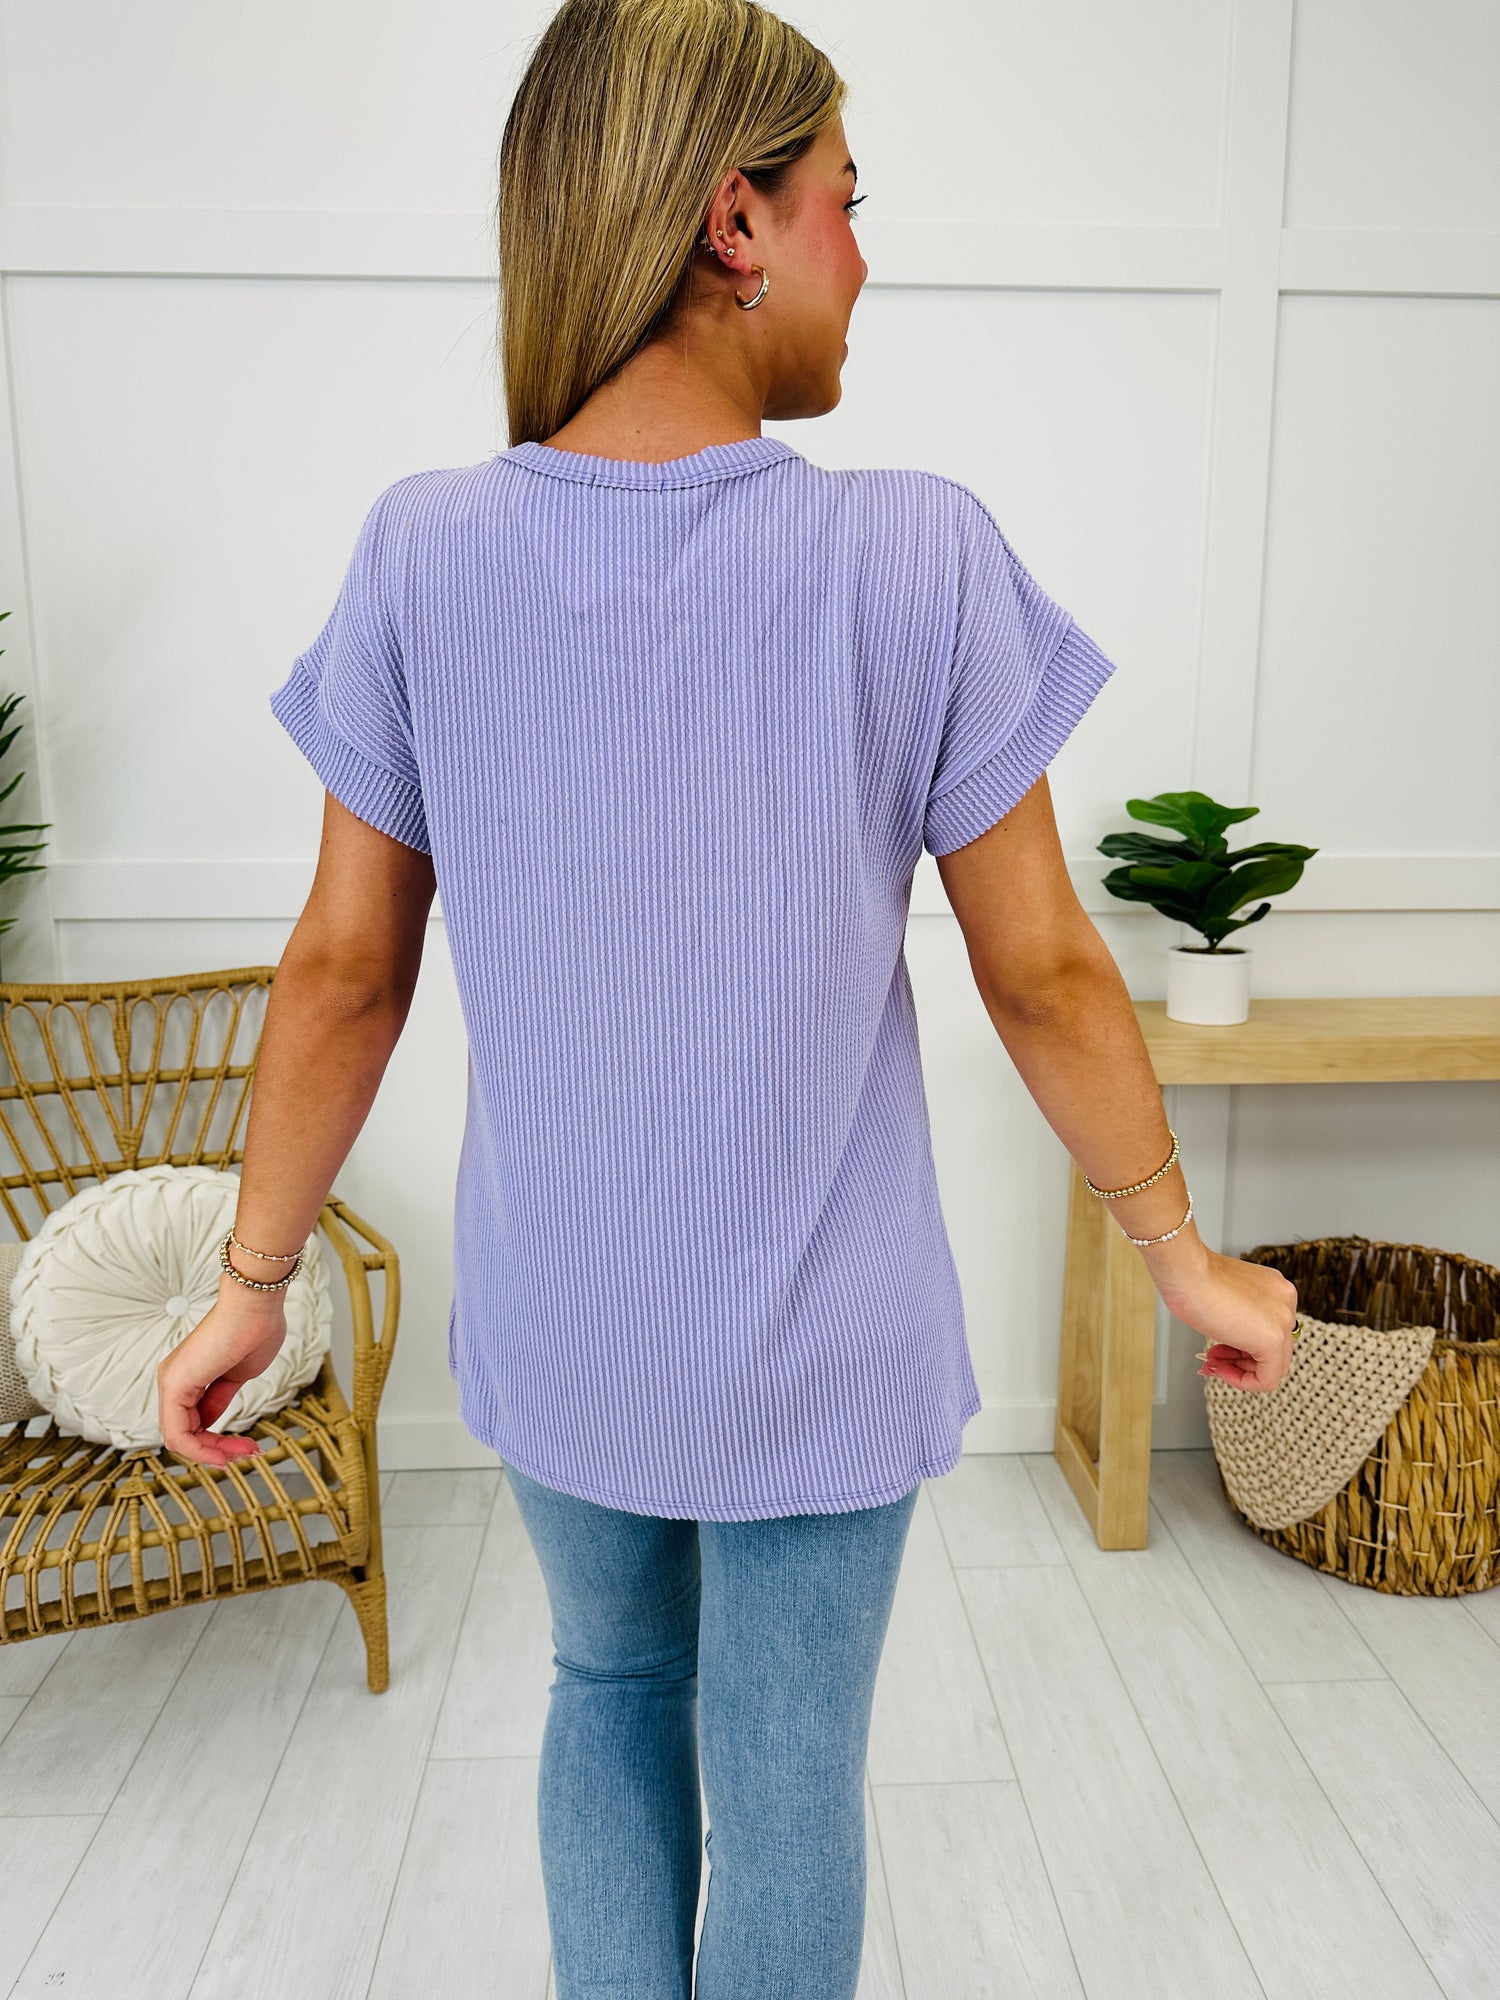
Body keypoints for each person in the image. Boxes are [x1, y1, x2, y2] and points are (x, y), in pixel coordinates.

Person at [158, 0, 1300, 1993]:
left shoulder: (425, 551)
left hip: (568, 1316)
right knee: (786, 1786)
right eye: (849, 199)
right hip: (818, 1339)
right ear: (734, 220)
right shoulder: (913, 553)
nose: (867, 252)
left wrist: (252, 1281)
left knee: (606, 1687)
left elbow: (345, 971)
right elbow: (1042, 968)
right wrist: (1180, 1253)